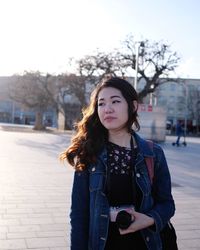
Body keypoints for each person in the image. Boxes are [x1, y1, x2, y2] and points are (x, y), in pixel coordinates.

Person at [60, 77, 175, 250]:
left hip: (146, 244)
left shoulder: (153, 153)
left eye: (115, 101)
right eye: (101, 103)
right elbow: (78, 215)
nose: (107, 109)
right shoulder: (88, 153)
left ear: (133, 106)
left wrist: (150, 219)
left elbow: (167, 204)